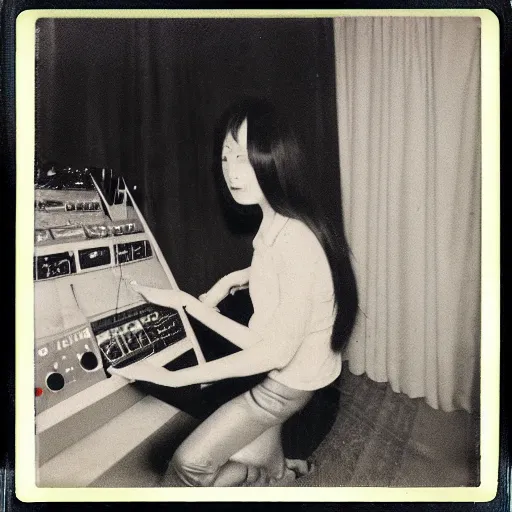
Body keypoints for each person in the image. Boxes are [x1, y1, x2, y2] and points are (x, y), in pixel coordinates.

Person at [109, 98, 358, 487]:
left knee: (188, 465)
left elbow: (271, 350)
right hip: (290, 365)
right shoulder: (280, 223)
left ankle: (263, 477)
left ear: (273, 158)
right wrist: (198, 299)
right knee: (243, 438)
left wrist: (176, 378)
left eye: (243, 157)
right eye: (226, 158)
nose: (231, 172)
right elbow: (272, 298)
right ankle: (279, 471)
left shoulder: (294, 241)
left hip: (285, 384)